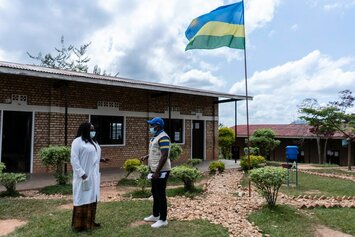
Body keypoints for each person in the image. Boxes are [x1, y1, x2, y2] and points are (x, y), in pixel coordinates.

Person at [70, 122, 102, 232]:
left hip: (93, 176)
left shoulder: (93, 142)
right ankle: (80, 225)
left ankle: (90, 222)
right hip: (83, 176)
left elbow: (93, 156)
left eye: (94, 129)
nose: (93, 131)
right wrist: (82, 174)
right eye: (91, 129)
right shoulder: (77, 142)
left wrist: (101, 159)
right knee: (82, 199)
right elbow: (74, 159)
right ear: (85, 130)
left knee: (92, 198)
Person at [141, 117, 171, 228]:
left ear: (157, 126)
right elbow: (156, 151)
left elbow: (164, 155)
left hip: (161, 171)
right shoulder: (155, 137)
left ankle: (163, 219)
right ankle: (156, 215)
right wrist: (146, 156)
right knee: (155, 193)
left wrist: (157, 172)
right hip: (154, 170)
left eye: (152, 125)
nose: (150, 127)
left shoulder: (163, 137)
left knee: (161, 195)